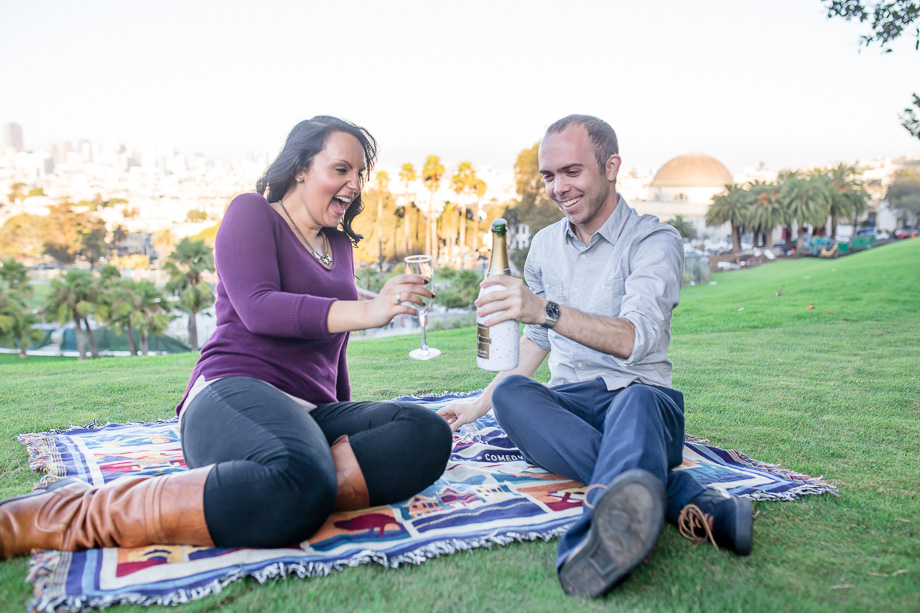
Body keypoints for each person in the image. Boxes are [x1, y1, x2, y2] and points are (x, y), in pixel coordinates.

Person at [0, 116, 452, 559]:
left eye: (359, 174)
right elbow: (259, 307)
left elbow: (334, 348)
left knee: (425, 431)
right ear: (300, 167)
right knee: (300, 476)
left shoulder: (338, 244)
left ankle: (284, 487)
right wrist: (369, 311)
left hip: (310, 414)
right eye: (341, 170)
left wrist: (345, 413)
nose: (354, 185)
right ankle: (75, 512)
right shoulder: (252, 212)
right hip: (234, 392)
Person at [438, 115, 753, 598]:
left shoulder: (654, 241)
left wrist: (542, 309)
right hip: (572, 406)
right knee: (515, 395)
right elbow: (538, 342)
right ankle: (681, 496)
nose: (558, 187)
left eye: (572, 172)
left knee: (636, 398)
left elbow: (634, 339)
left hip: (645, 405)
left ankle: (598, 540)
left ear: (611, 167)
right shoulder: (544, 245)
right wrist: (479, 405)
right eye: (548, 176)